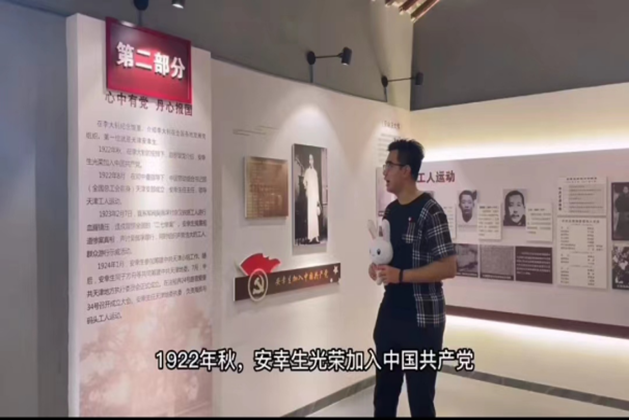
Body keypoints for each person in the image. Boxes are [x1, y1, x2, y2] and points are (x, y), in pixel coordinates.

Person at [369, 139, 457, 418]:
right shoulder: (391, 211)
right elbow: (388, 256)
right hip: (390, 317)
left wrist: (402, 275)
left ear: (406, 170)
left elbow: (449, 266)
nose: (385, 172)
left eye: (389, 165)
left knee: (420, 402)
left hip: (422, 322)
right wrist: (376, 268)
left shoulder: (430, 211)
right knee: (383, 399)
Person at [303, 154, 321, 243]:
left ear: (313, 161)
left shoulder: (315, 172)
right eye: (309, 159)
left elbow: (317, 186)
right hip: (310, 196)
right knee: (310, 216)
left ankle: (316, 236)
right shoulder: (307, 171)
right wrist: (306, 188)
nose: (310, 161)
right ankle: (310, 237)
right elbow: (304, 181)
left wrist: (318, 199)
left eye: (312, 159)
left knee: (315, 217)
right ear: (308, 161)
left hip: (315, 196)